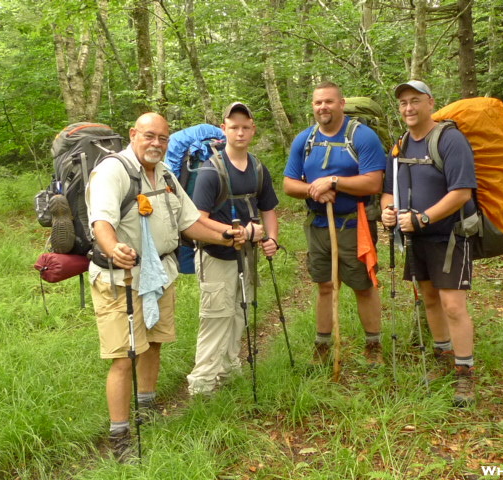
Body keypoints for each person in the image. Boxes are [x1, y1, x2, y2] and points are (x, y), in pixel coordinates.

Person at [86, 112, 244, 462]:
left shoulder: (166, 174)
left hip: (159, 274)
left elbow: (190, 222)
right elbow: (101, 221)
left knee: (153, 344)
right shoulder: (113, 171)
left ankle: (147, 407)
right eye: (149, 136)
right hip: (120, 278)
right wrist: (115, 249)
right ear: (133, 134)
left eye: (163, 138)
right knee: (124, 357)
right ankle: (120, 435)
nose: (156, 143)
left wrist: (227, 235)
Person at [380, 80, 477, 407]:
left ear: (430, 102)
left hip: (449, 235)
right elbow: (388, 189)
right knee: (430, 300)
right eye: (404, 102)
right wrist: (387, 212)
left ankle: (465, 373)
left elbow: (461, 192)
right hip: (414, 236)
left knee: (453, 305)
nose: (409, 108)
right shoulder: (400, 145)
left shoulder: (450, 140)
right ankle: (442, 355)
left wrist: (424, 218)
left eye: (415, 101)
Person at [283, 81, 386, 366]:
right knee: (325, 286)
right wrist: (313, 189)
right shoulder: (305, 140)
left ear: (341, 103)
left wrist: (335, 181)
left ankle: (373, 344)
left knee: (363, 285)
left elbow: (374, 181)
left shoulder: (363, 137)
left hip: (355, 225)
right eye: (318, 103)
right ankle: (323, 344)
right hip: (318, 225)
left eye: (328, 101)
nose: (322, 107)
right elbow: (289, 184)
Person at [186, 102, 280, 396]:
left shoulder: (257, 167)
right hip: (216, 254)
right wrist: (234, 232)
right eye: (234, 127)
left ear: (252, 130)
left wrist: (271, 239)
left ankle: (229, 369)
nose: (240, 132)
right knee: (216, 317)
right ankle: (202, 384)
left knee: (240, 312)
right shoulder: (210, 171)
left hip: (247, 256)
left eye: (245, 127)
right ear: (223, 129)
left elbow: (269, 208)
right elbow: (197, 219)